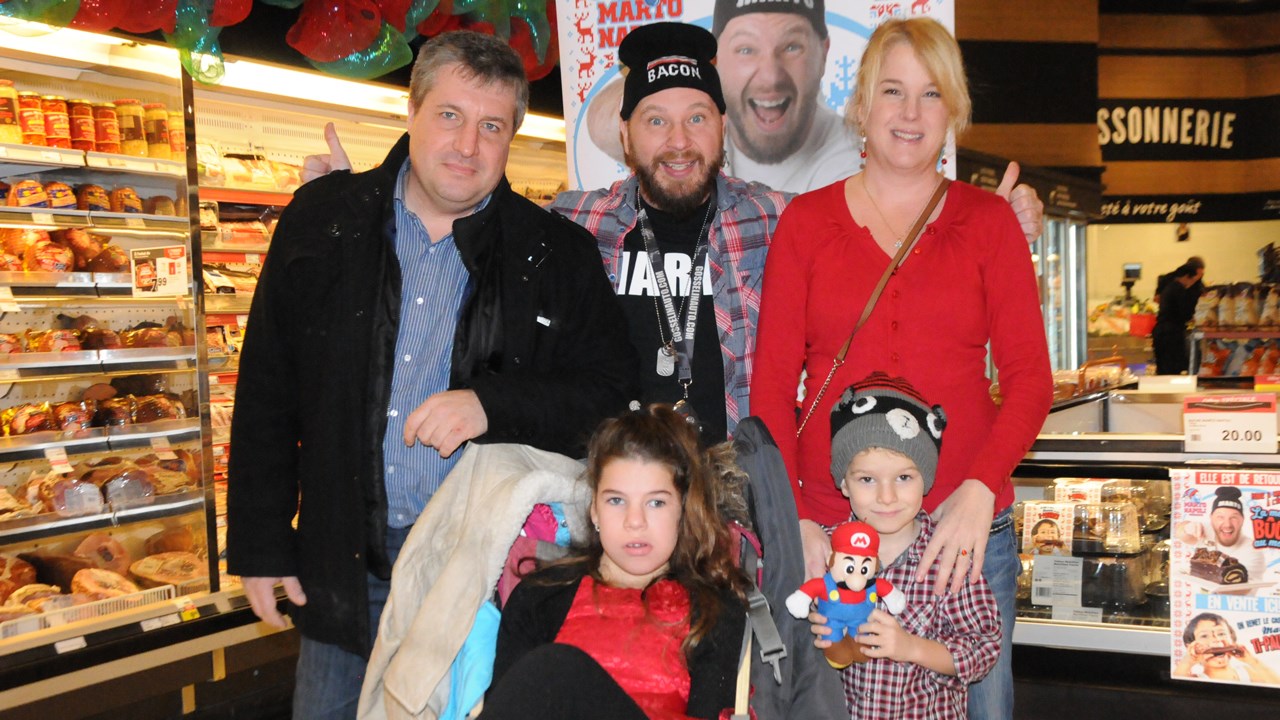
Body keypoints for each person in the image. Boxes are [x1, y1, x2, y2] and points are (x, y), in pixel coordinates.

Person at [225, 31, 638, 720]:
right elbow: (268, 389)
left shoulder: (554, 253)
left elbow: (607, 396)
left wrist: (491, 404)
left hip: (481, 576)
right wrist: (262, 543)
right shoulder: (322, 223)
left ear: (511, 137)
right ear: (412, 112)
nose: (467, 145)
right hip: (342, 566)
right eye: (449, 115)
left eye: (492, 126)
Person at [749, 18, 1052, 719]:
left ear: (953, 112)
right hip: (830, 534)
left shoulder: (988, 224)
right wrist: (794, 514)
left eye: (931, 94)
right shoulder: (806, 224)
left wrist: (981, 489)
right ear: (861, 105)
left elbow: (1031, 380)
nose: (910, 114)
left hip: (961, 535)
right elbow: (770, 388)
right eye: (893, 91)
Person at [477, 404, 751, 720]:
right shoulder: (541, 594)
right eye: (616, 500)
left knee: (557, 667)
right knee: (554, 669)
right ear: (594, 509)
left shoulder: (714, 607)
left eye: (656, 502)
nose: (635, 521)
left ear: (682, 512)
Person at [807, 372, 1002, 717]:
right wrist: (814, 626)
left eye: (904, 477)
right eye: (867, 479)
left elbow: (984, 648)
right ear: (844, 483)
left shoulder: (947, 555)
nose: (886, 496)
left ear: (925, 479)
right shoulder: (824, 552)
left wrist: (911, 647)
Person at [1177, 486, 1269, 584]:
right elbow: (1181, 533)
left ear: (1242, 520)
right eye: (1220, 517)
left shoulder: (1252, 550)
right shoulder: (1205, 531)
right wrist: (1187, 528)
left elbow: (1244, 587)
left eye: (1234, 517)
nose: (1227, 525)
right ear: (1211, 518)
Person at [1173, 612, 1280, 684]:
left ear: (1232, 640)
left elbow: (1275, 683)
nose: (1216, 639)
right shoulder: (1197, 679)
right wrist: (1188, 661)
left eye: (1221, 633)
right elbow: (1177, 687)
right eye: (1204, 636)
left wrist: (1253, 661)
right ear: (1191, 647)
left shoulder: (1245, 672)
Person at [1153, 260, 1206, 375]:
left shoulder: (1170, 286)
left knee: (1164, 370)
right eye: (1193, 279)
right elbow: (1185, 313)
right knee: (1172, 370)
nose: (1192, 283)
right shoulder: (1179, 289)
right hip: (1170, 333)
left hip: (1162, 332)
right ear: (1187, 276)